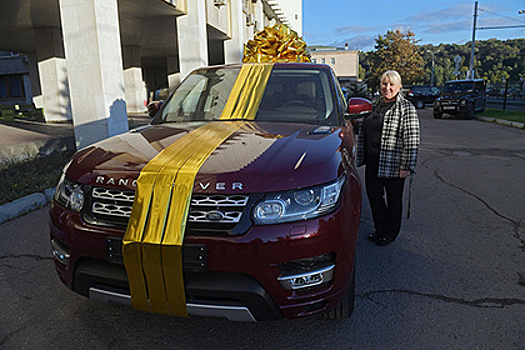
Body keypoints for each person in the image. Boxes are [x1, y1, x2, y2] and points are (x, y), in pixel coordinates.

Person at [356, 70, 420, 246]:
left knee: (393, 201)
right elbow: (362, 126)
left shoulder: (406, 108)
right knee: (374, 197)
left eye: (392, 84)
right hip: (373, 161)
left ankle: (390, 233)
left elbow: (412, 140)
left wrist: (406, 166)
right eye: (385, 84)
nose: (388, 88)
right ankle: (380, 229)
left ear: (399, 87)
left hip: (393, 164)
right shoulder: (374, 105)